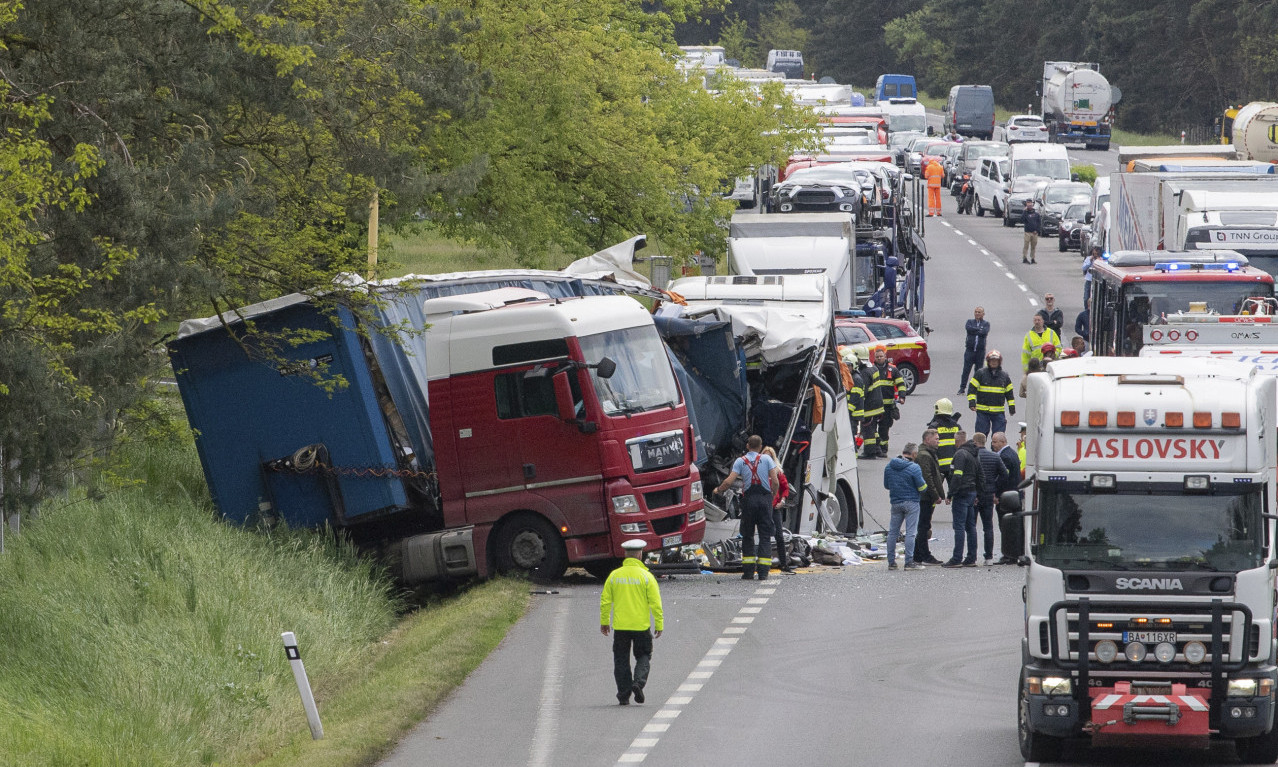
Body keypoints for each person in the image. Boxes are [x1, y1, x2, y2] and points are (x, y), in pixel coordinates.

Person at [600, 539, 664, 706]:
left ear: (625, 554)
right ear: (639, 554)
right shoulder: (647, 577)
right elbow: (656, 604)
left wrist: (604, 622)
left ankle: (623, 695)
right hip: (641, 626)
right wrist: (659, 624)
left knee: (621, 660)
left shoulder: (614, 576)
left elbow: (605, 601)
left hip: (621, 627)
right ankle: (638, 682)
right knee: (643, 655)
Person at [714, 435, 779, 580]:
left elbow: (729, 482)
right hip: (764, 500)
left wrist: (718, 490)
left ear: (748, 446)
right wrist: (772, 497)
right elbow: (775, 481)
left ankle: (748, 572)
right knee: (765, 537)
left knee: (748, 536)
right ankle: (763, 573)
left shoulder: (740, 461)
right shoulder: (767, 459)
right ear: (761, 447)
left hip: (749, 501)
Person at [883, 442, 927, 571]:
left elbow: (886, 485)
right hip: (911, 502)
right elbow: (922, 487)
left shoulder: (889, 466)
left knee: (892, 533)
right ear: (913, 454)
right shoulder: (914, 468)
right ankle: (909, 562)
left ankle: (891, 562)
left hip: (895, 502)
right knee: (911, 533)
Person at [942, 431, 984, 568]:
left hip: (961, 493)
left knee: (959, 527)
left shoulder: (960, 454)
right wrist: (978, 494)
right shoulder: (974, 453)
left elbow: (957, 476)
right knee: (971, 527)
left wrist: (950, 494)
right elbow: (980, 475)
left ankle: (956, 558)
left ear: (957, 440)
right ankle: (971, 558)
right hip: (972, 492)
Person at [973, 432, 1008, 566]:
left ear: (974, 442)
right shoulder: (994, 457)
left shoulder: (973, 456)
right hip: (989, 494)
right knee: (988, 527)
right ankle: (989, 557)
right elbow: (1004, 474)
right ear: (985, 441)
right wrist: (995, 487)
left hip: (975, 495)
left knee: (972, 526)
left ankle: (972, 555)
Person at [914, 429, 948, 565]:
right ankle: (924, 555)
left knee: (923, 525)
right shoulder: (924, 456)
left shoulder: (928, 454)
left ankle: (917, 555)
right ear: (927, 440)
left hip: (926, 497)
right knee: (923, 526)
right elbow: (927, 477)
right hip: (925, 498)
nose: (938, 442)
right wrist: (935, 495)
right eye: (936, 439)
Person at [966, 349, 1015, 437]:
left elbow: (1009, 393)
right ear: (988, 361)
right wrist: (972, 402)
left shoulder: (1005, 376)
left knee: (999, 436)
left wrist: (1011, 407)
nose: (994, 362)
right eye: (992, 360)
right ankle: (980, 450)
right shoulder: (980, 374)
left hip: (998, 412)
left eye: (996, 360)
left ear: (999, 362)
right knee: (980, 436)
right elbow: (972, 389)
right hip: (982, 411)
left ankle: (996, 451)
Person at [992, 431, 1022, 564]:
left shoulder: (1005, 457)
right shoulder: (1011, 453)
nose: (992, 445)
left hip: (1007, 497)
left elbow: (1004, 478)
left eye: (994, 442)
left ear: (1002, 442)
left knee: (1006, 526)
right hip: (1013, 495)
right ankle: (1012, 553)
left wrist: (996, 494)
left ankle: (1009, 554)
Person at [761, 446, 793, 573]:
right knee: (765, 537)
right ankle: (765, 564)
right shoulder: (759, 472)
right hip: (763, 508)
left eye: (770, 456)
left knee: (779, 535)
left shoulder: (778, 472)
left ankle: (783, 563)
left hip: (775, 508)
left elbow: (785, 488)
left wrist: (782, 501)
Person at [959, 306, 990, 395]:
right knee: (966, 370)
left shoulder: (986, 323)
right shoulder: (970, 322)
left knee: (978, 371)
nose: (977, 313)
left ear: (983, 314)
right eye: (976, 312)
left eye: (979, 312)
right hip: (970, 350)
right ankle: (962, 388)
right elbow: (969, 329)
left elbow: (984, 332)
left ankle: (976, 388)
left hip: (980, 351)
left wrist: (976, 331)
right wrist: (978, 330)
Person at [927, 397, 962, 477]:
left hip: (939, 466)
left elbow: (928, 446)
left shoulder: (934, 426)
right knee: (954, 489)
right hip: (954, 465)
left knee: (936, 489)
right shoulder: (957, 426)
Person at [1022, 199, 1042, 264]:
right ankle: (1024, 258)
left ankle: (1032, 258)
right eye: (1028, 203)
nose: (1029, 204)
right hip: (1027, 232)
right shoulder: (1025, 213)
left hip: (1034, 233)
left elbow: (1039, 223)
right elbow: (1022, 220)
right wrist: (1024, 211)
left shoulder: (1036, 214)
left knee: (1033, 246)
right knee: (1026, 245)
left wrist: (1037, 230)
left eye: (1030, 203)